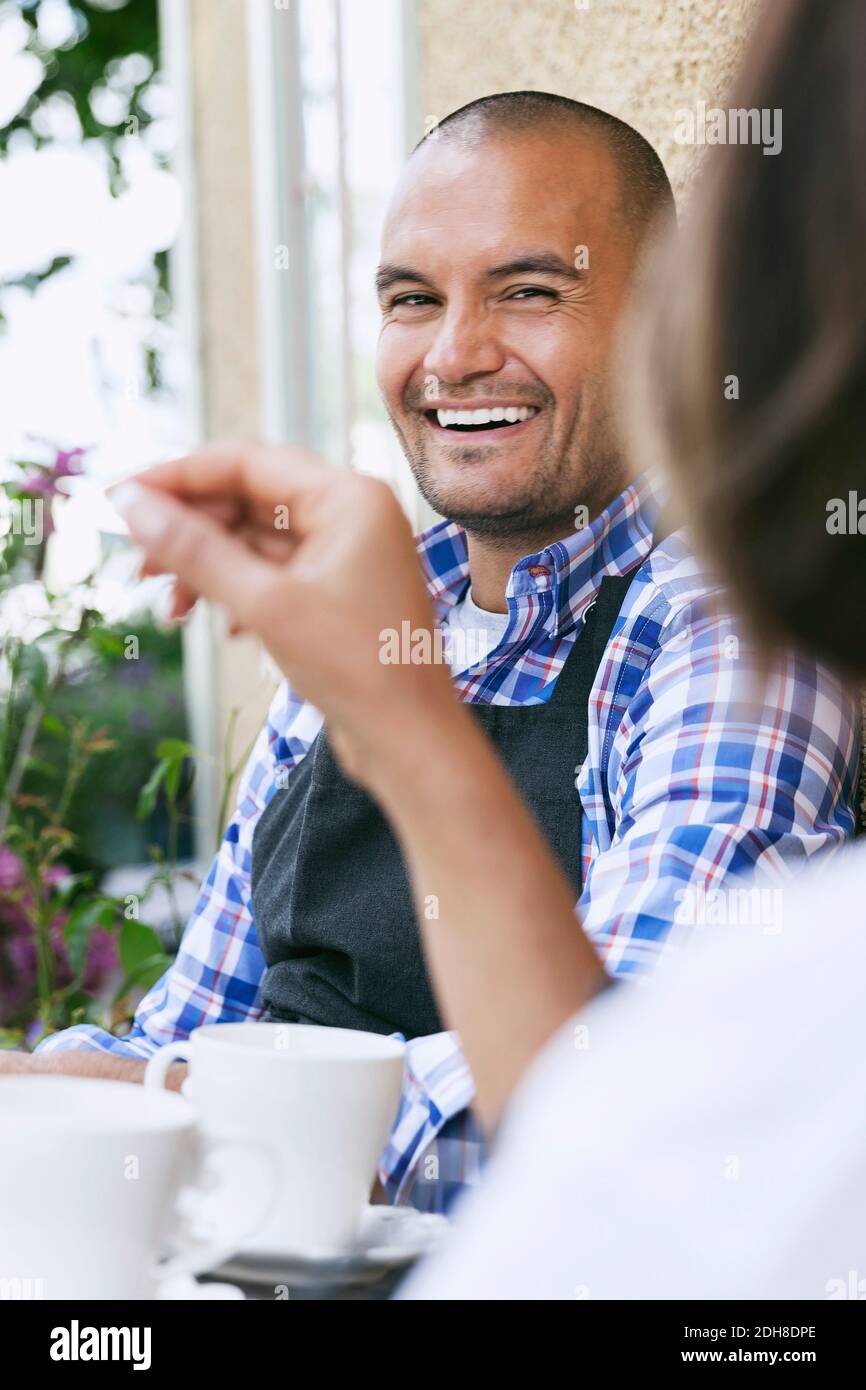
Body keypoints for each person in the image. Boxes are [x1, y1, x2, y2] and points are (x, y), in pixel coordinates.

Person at [8, 89, 858, 1220]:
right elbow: (182, 1028)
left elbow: (637, 1091)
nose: (454, 355)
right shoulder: (370, 605)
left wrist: (185, 1107)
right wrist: (61, 1085)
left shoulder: (728, 618)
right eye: (412, 299)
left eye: (528, 292)